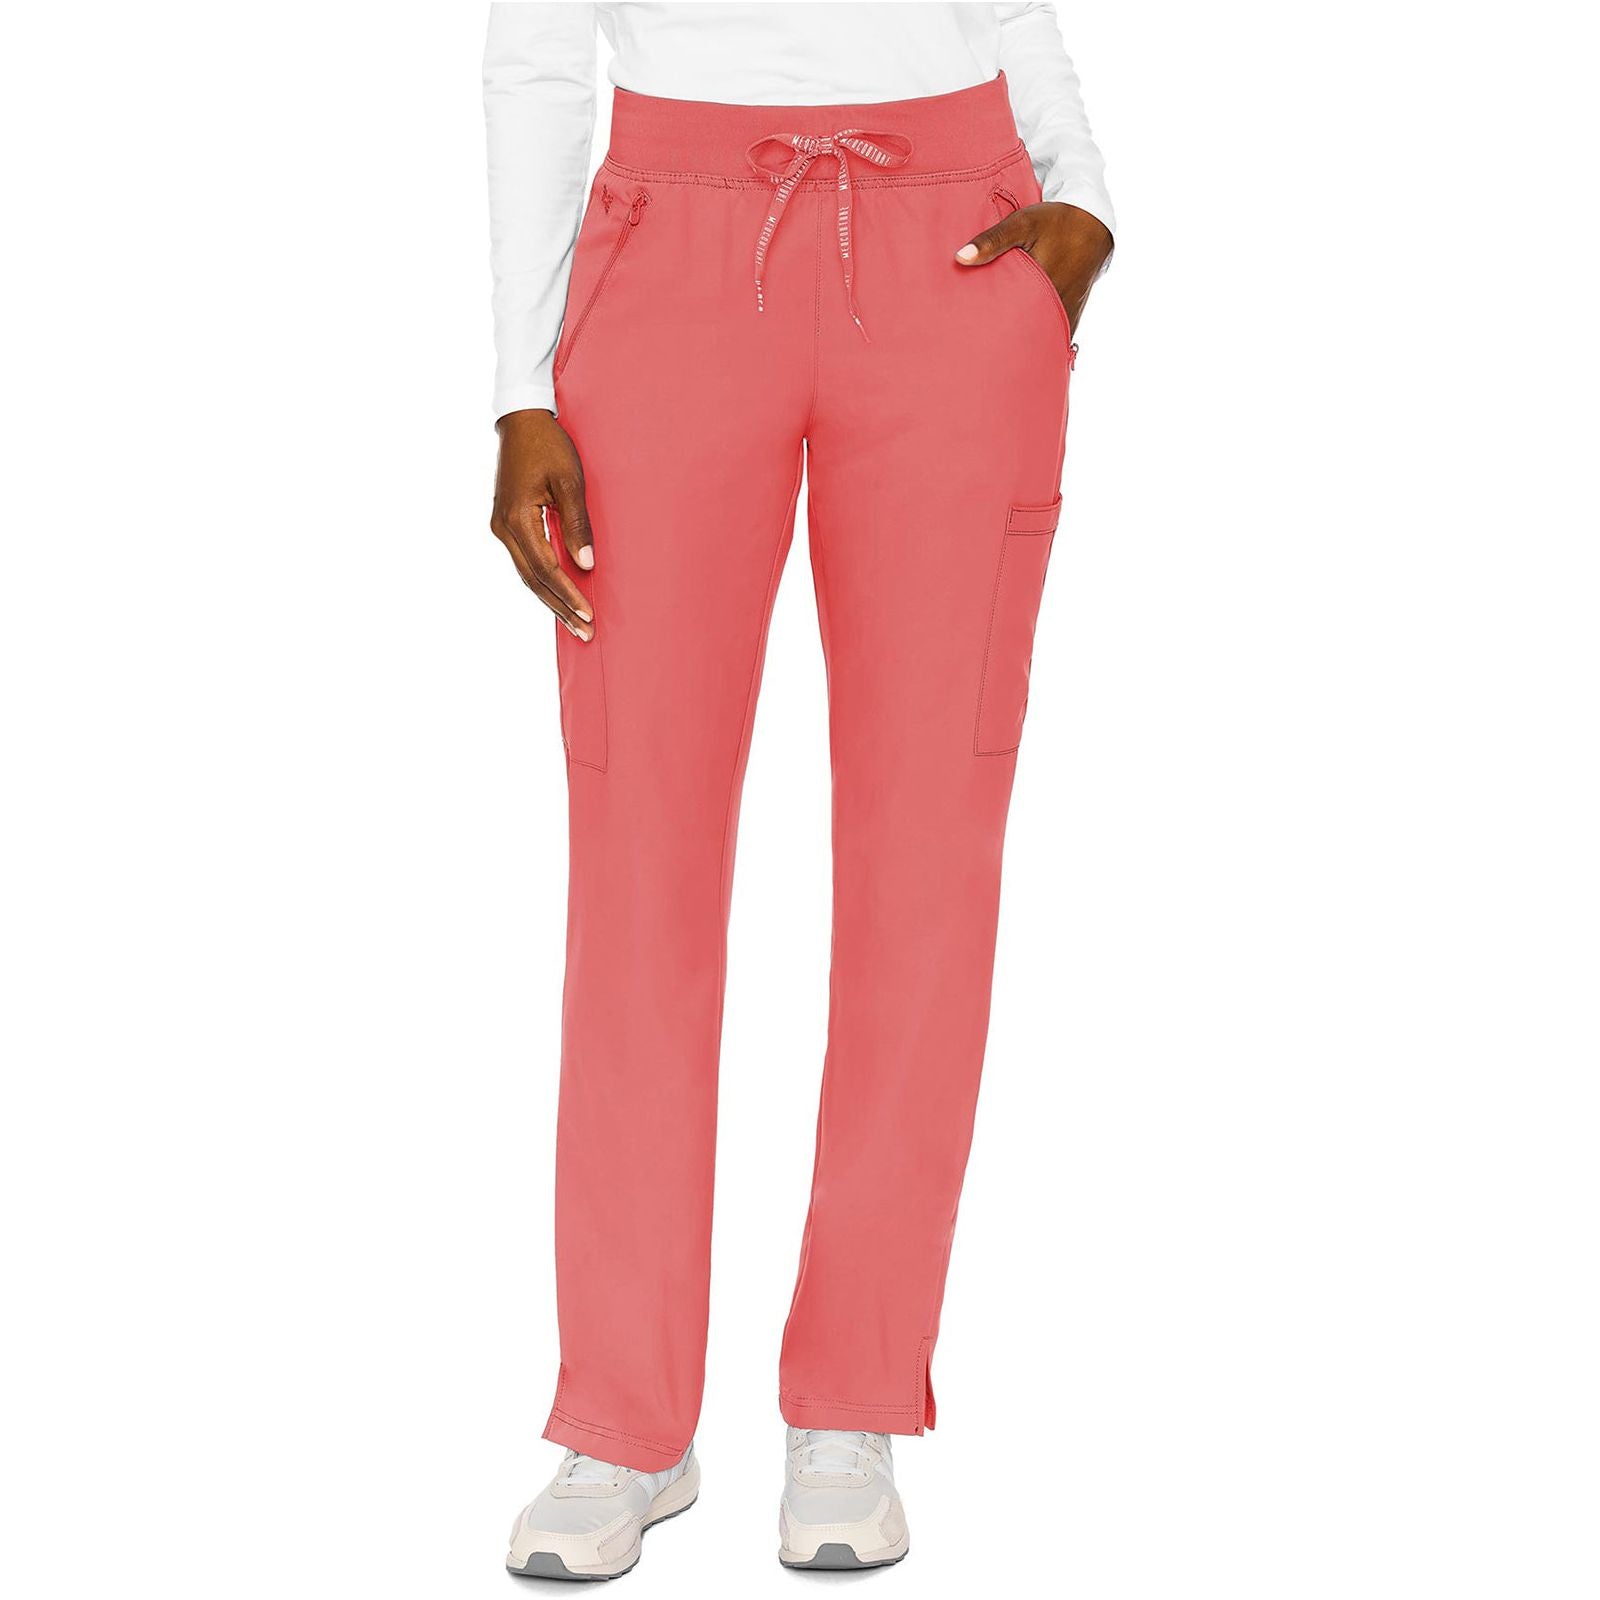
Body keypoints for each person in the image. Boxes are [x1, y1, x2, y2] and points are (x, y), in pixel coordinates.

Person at [484, 1, 1113, 1577]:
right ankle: (625, 1418)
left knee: (929, 848)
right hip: (668, 258)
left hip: (958, 248)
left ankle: (853, 1398)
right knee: (639, 858)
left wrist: (1083, 197)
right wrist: (518, 385)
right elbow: (539, 49)